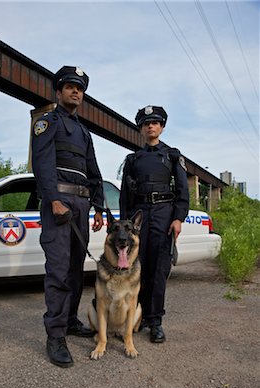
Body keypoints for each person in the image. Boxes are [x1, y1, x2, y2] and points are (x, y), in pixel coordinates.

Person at [32, 66, 104, 368]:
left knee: (76, 270)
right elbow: (42, 164)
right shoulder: (47, 122)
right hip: (59, 205)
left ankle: (71, 320)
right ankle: (56, 335)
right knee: (59, 271)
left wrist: (99, 206)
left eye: (80, 88)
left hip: (81, 205)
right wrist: (53, 200)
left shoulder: (85, 132)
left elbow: (93, 170)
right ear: (58, 91)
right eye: (70, 86)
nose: (76, 91)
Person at [120, 105, 189, 343]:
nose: (151, 126)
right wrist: (124, 225)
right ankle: (137, 316)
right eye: (147, 123)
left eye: (156, 122)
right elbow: (124, 196)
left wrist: (178, 218)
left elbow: (182, 190)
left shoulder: (172, 155)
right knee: (138, 269)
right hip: (138, 216)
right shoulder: (132, 159)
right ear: (140, 128)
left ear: (162, 127)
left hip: (163, 213)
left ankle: (155, 321)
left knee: (159, 269)